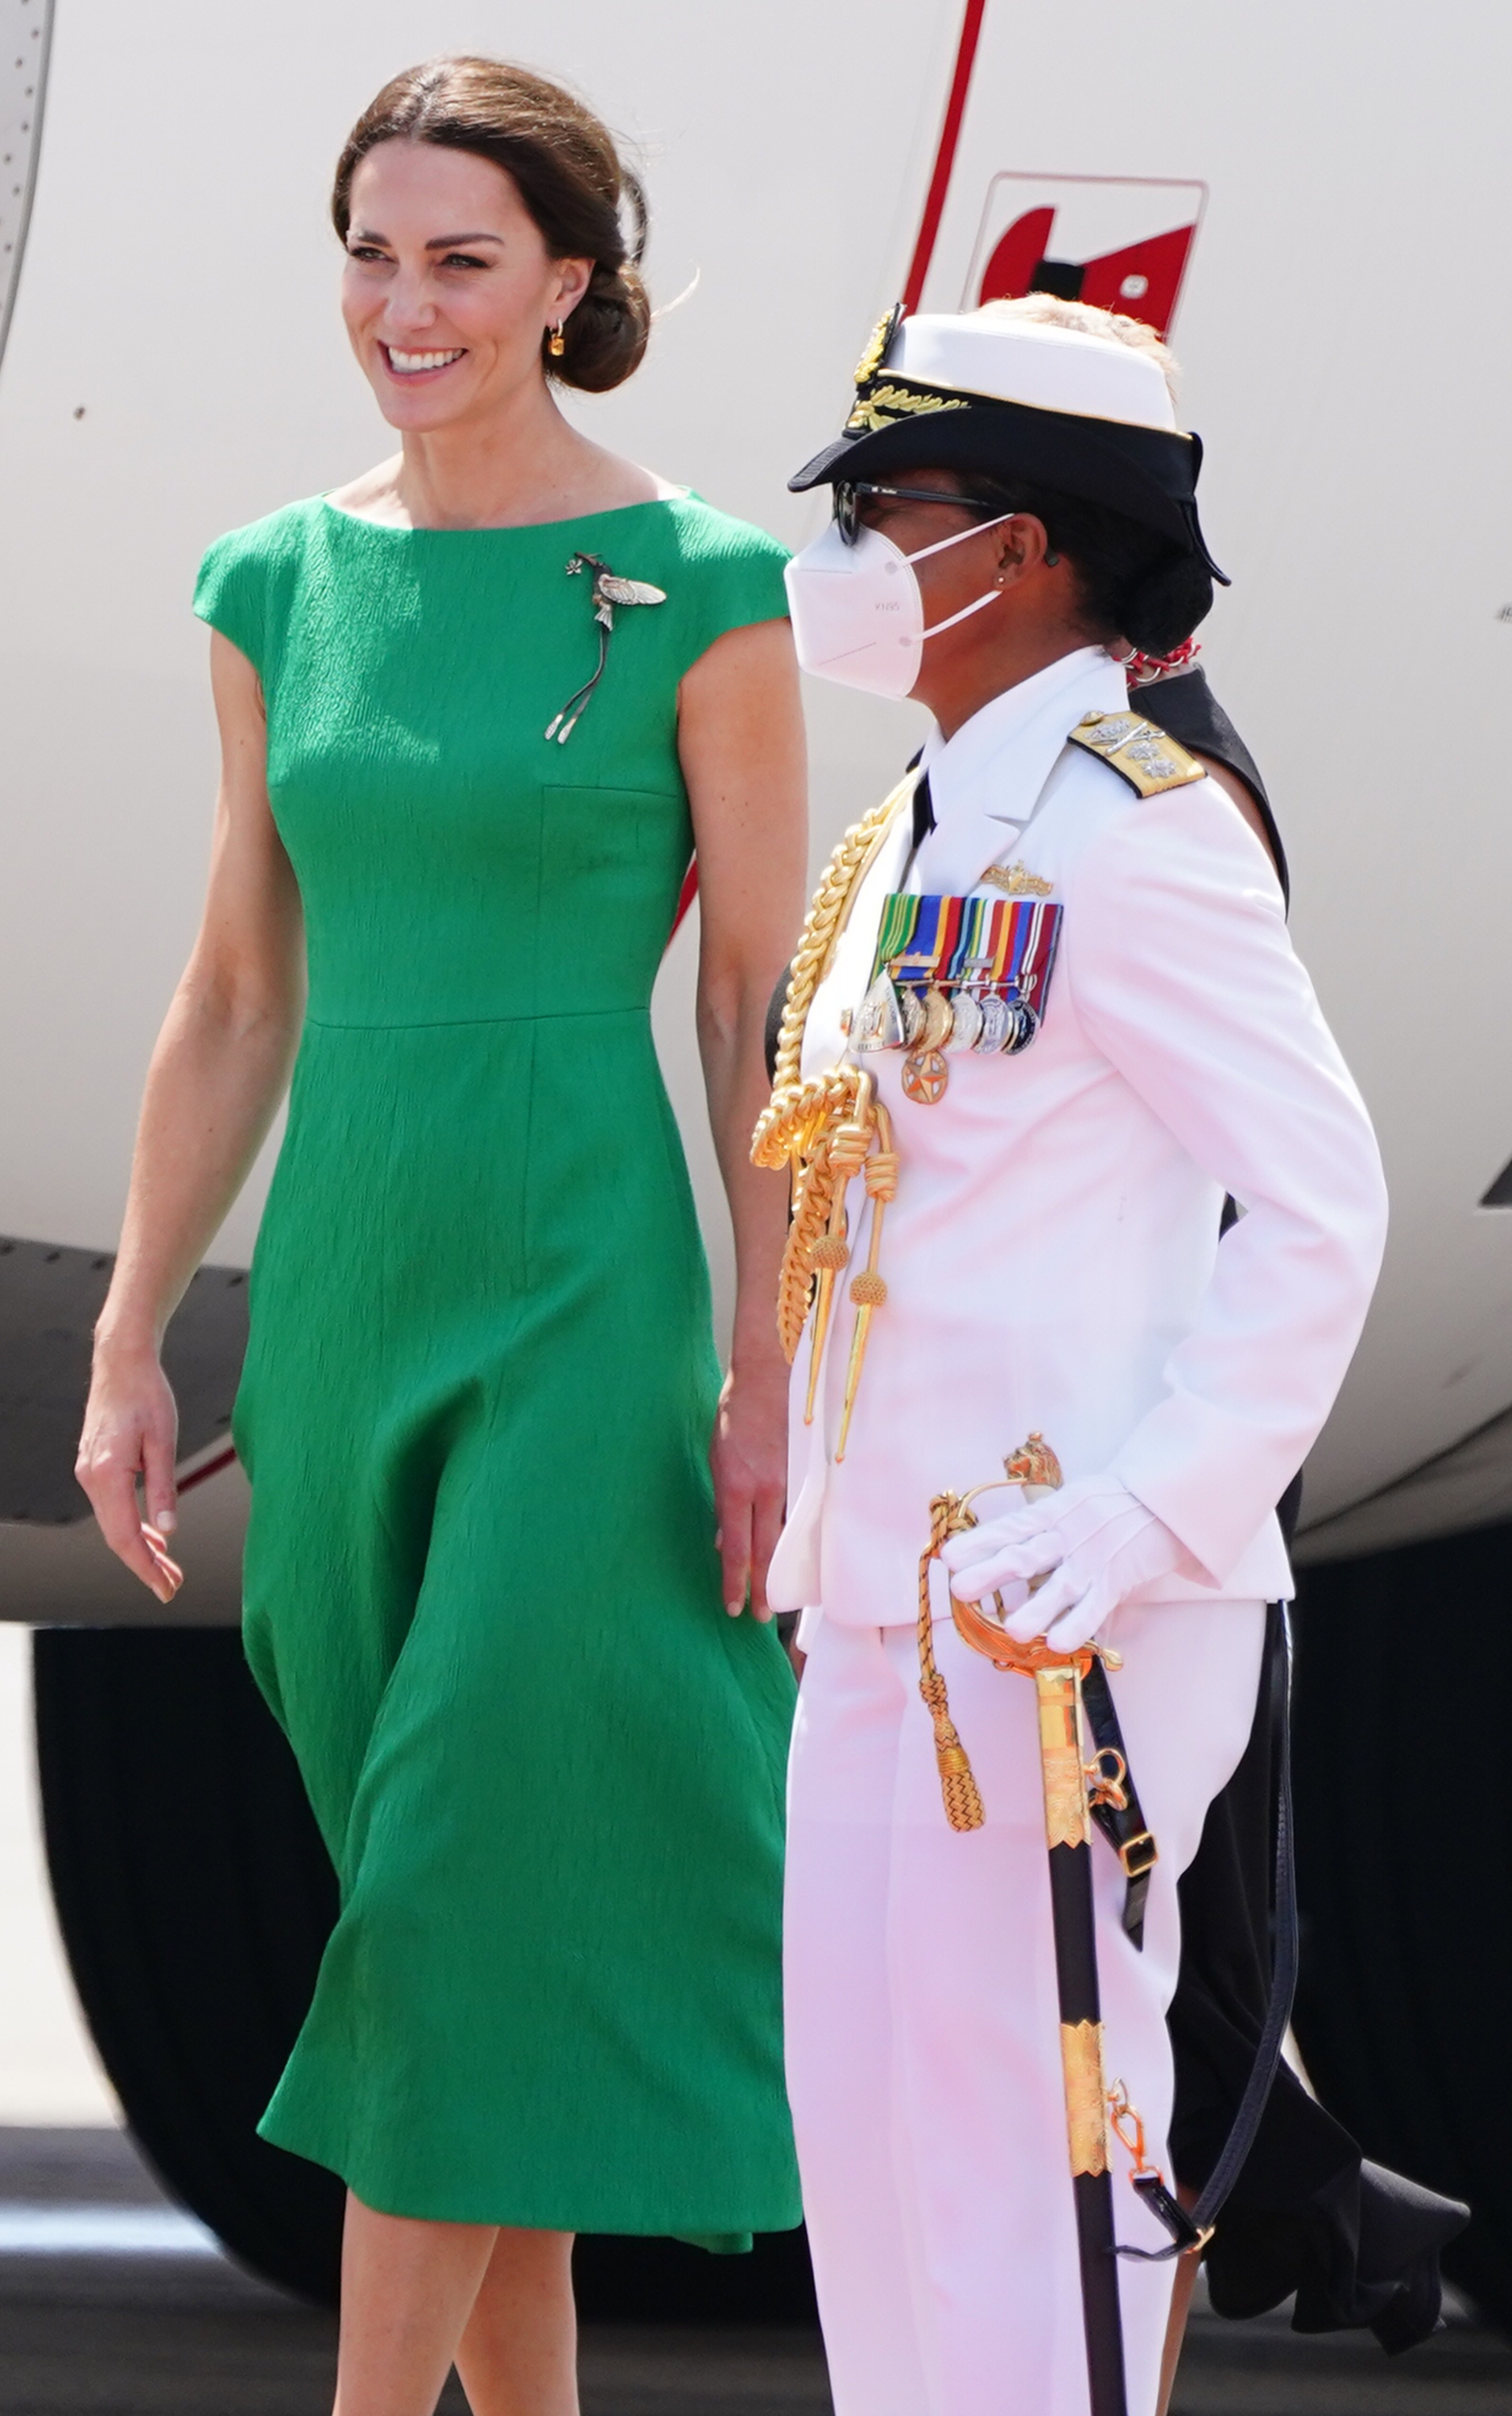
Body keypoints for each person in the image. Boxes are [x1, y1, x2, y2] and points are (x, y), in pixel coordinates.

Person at [76, 55, 805, 2416]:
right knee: (448, 1935)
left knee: (466, 1902)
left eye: (462, 258)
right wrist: (125, 1343)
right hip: (345, 1300)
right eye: (373, 253)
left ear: (570, 283)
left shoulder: (704, 587)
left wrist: (773, 1366)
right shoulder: (272, 583)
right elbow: (233, 993)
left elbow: (751, 1004)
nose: (405, 303)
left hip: (583, 1307)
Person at [758, 297, 1390, 2416]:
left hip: (1061, 1610)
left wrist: (1142, 1516)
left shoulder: (1139, 828)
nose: (840, 555)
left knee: (1043, 2158)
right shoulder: (907, 835)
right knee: (871, 2152)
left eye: (882, 509)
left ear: (1016, 547)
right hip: (881, 1599)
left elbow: (1317, 1202)